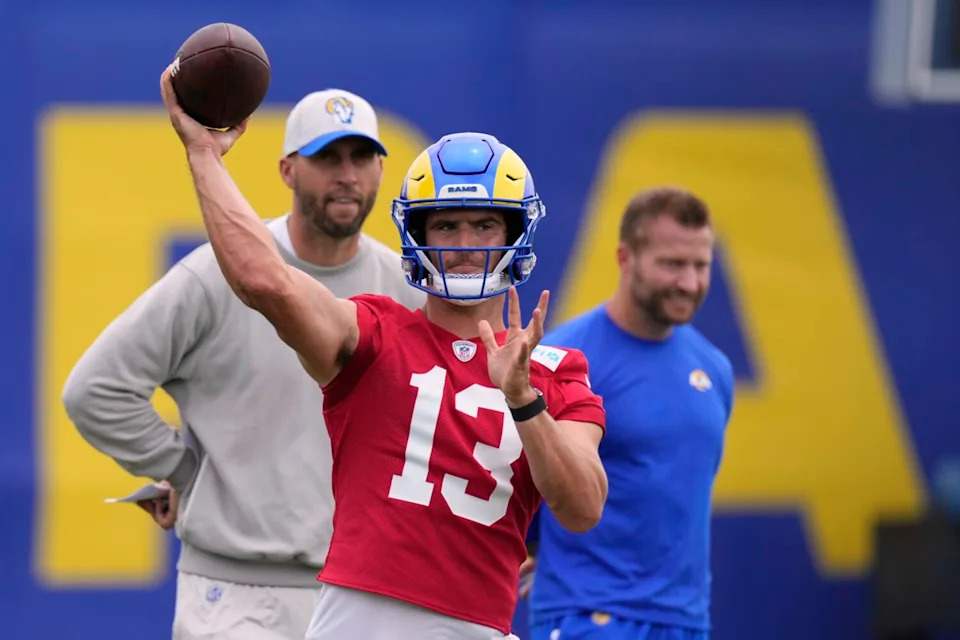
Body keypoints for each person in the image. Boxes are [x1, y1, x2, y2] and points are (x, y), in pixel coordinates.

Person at [156, 64, 608, 640]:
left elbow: (583, 507)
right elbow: (265, 280)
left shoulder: (555, 371)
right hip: (361, 622)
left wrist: (523, 402)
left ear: (515, 234)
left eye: (484, 225)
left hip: (481, 625)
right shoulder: (373, 333)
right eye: (446, 227)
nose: (465, 246)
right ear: (417, 235)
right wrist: (203, 155)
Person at [62, 88, 425, 640]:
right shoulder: (215, 274)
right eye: (328, 158)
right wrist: (190, 475)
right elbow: (95, 388)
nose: (347, 175)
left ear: (381, 167)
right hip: (235, 595)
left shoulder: (408, 290)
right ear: (287, 170)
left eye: (362, 157)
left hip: (364, 596)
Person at [526, 187, 735, 640]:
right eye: (672, 264)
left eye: (701, 265)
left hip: (685, 622)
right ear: (626, 258)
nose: (689, 282)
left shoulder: (714, 370)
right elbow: (527, 479)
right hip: (586, 616)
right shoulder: (565, 355)